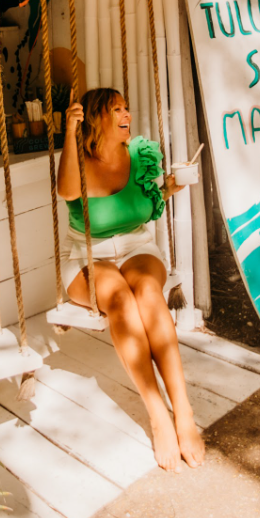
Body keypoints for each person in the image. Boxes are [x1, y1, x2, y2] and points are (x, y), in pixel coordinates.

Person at [57, 87, 205, 472]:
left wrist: (170, 187)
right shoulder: (78, 158)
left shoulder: (139, 153)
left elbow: (149, 200)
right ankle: (158, 414)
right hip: (89, 255)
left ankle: (183, 411)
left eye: (127, 107)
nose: (126, 114)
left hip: (139, 245)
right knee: (121, 301)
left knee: (149, 294)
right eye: (116, 109)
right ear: (95, 119)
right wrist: (68, 134)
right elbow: (67, 191)